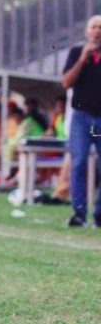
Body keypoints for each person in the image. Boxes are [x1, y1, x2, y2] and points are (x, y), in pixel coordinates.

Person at [61, 15, 101, 227]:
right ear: (87, 32)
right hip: (81, 117)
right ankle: (79, 214)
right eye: (94, 27)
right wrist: (82, 60)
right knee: (78, 164)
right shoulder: (77, 52)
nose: (97, 31)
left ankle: (100, 215)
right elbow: (66, 83)